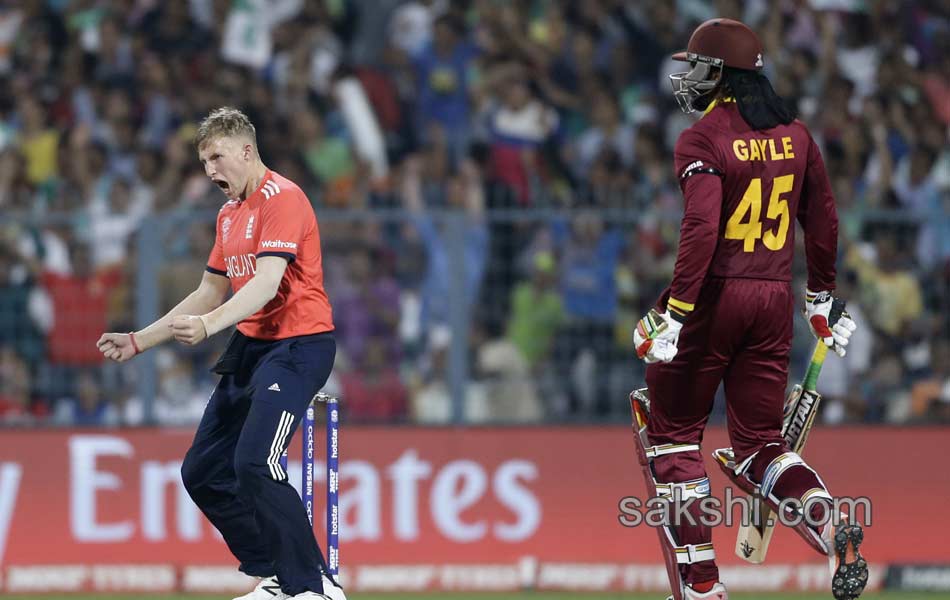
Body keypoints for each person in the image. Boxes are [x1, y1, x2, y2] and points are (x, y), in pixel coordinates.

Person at [630, 19, 864, 600]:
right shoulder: (797, 134)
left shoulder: (704, 138)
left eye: (698, 67)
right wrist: (821, 297)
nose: (689, 79)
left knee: (675, 442)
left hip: (712, 299)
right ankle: (826, 513)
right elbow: (825, 219)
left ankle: (703, 587)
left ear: (723, 73)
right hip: (772, 299)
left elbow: (703, 229)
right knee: (762, 445)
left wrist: (676, 313)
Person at [96, 107, 344, 600]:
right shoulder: (229, 215)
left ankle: (311, 587)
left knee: (256, 463)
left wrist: (208, 327)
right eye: (204, 160)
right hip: (252, 347)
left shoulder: (283, 198)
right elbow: (209, 292)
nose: (210, 170)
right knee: (202, 471)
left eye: (217, 157)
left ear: (246, 151)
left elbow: (267, 284)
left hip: (298, 345)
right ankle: (275, 570)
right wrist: (141, 339)